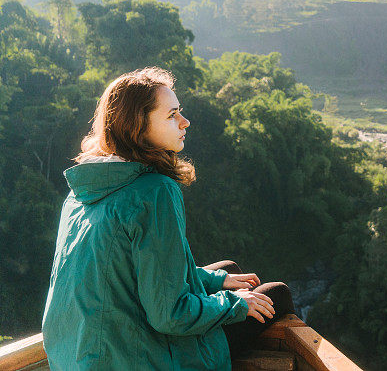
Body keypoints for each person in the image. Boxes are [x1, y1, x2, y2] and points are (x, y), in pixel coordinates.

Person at [42, 66, 296, 370]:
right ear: (137, 126)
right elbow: (170, 314)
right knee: (276, 295)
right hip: (134, 359)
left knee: (228, 270)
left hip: (76, 355)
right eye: (171, 115)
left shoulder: (82, 190)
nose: (184, 121)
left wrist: (218, 281)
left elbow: (128, 270)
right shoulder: (154, 191)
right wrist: (235, 304)